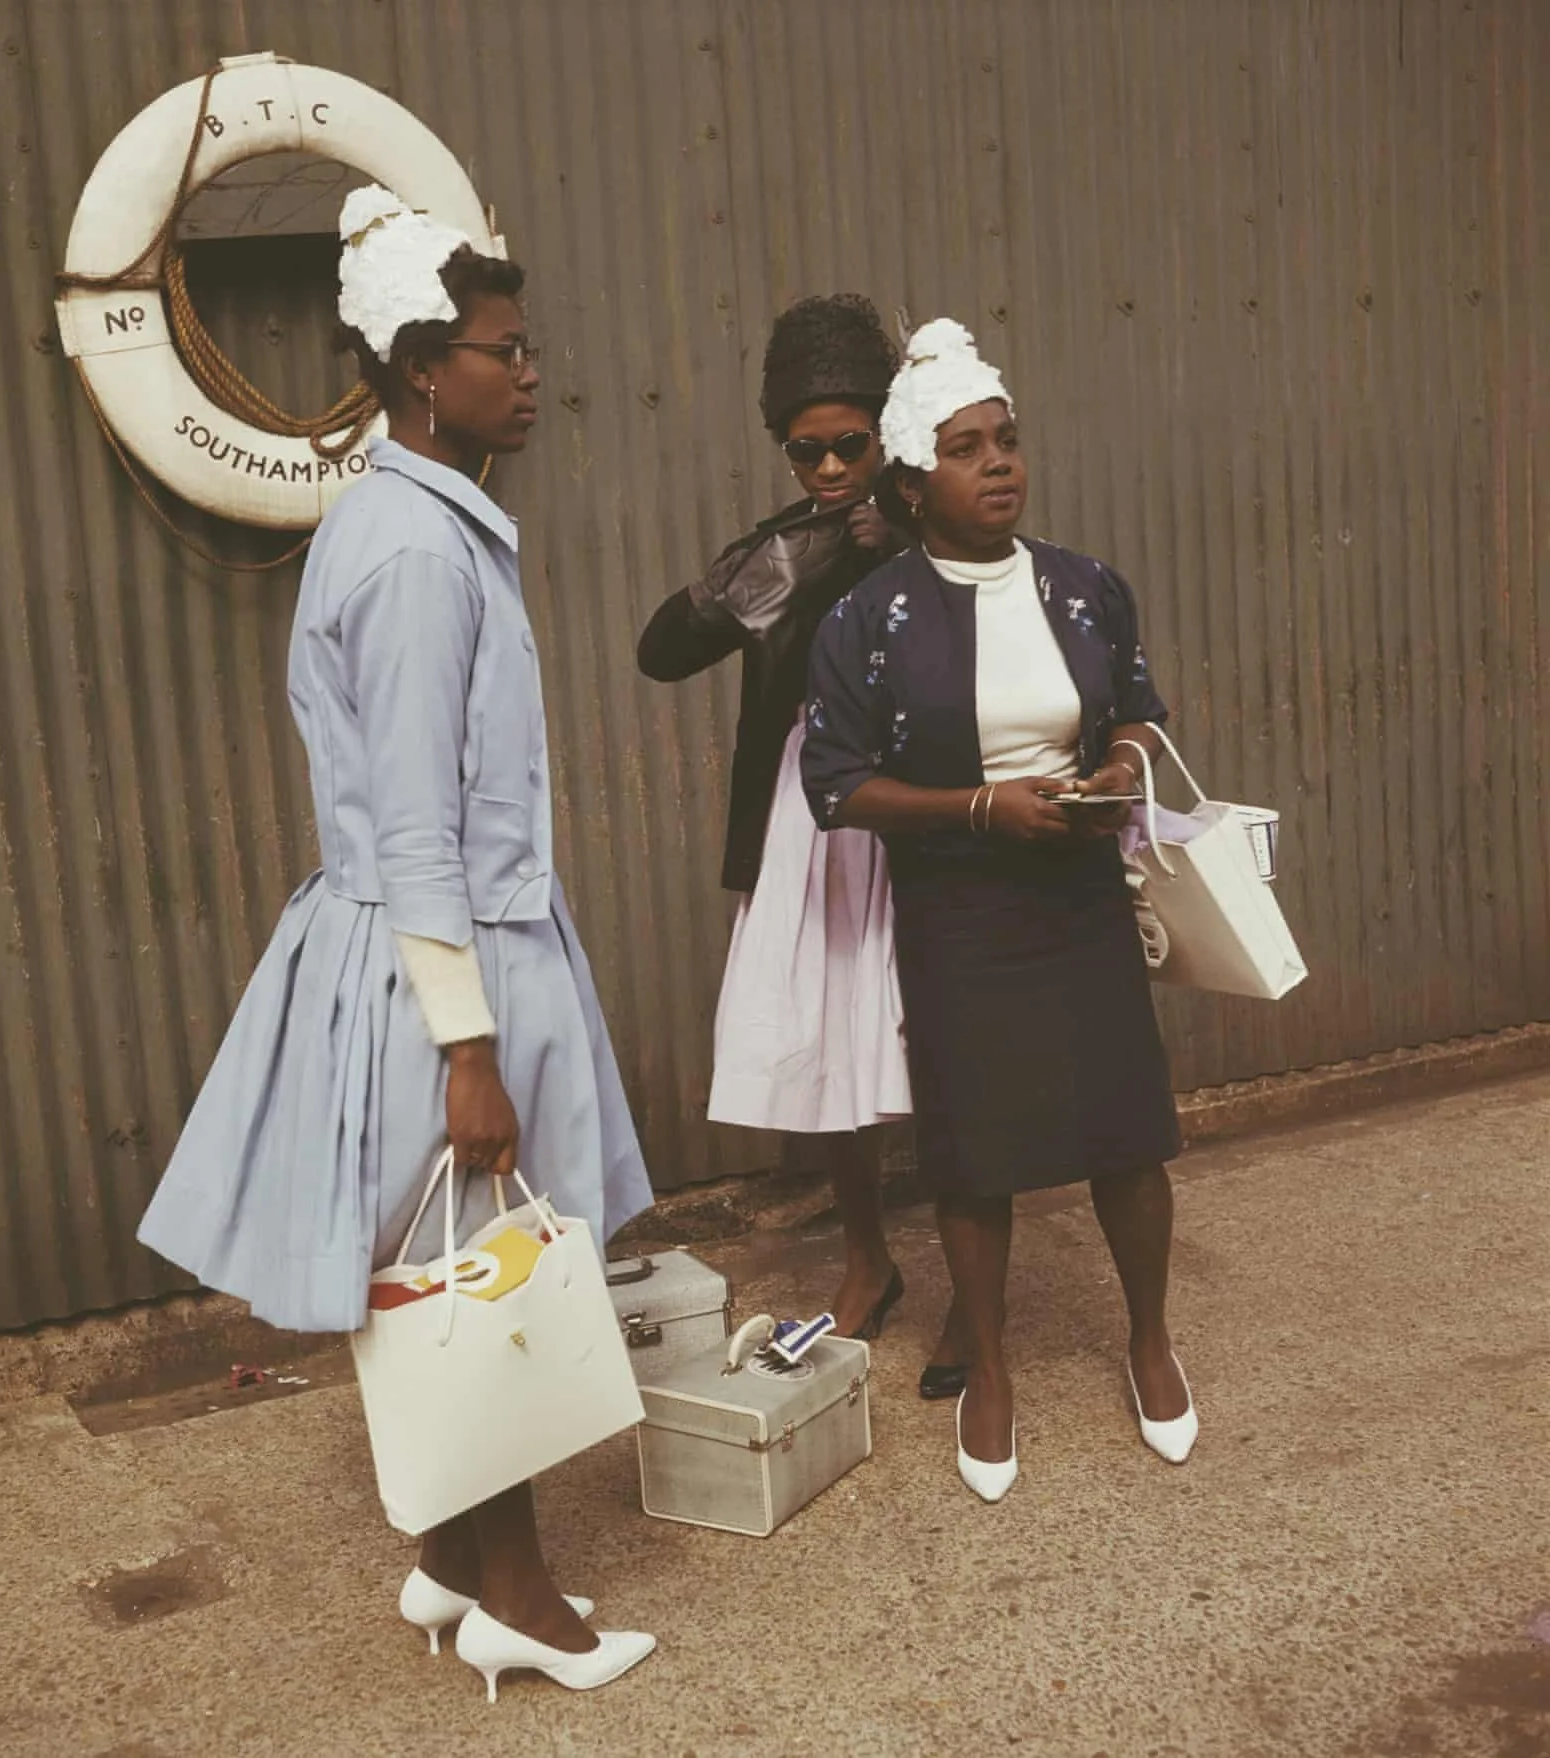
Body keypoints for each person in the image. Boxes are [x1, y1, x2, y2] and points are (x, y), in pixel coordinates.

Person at [137, 187, 656, 1695]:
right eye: (505, 348)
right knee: (484, 1280)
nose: (534, 370)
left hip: (423, 940)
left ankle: (445, 1560)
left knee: (453, 1269)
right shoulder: (420, 556)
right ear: (426, 367)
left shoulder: (395, 518)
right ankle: (517, 1594)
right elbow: (421, 823)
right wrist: (472, 1047)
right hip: (448, 959)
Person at [802, 318, 1197, 1503]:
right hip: (959, 905)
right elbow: (836, 785)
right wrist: (980, 812)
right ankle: (990, 1370)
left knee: (1127, 1129)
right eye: (968, 449)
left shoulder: (1084, 588)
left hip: (1077, 888)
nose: (999, 467)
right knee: (971, 1152)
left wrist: (1121, 768)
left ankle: (1147, 1343)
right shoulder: (868, 620)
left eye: (1008, 442)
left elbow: (1134, 709)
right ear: (914, 481)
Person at [637, 294, 912, 1342]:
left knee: (954, 1040)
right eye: (807, 453)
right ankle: (866, 1265)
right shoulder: (790, 544)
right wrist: (766, 574)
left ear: (890, 431)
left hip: (927, 809)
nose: (832, 470)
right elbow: (659, 651)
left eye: (850, 445)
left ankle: (979, 1303)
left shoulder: (942, 525)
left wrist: (899, 546)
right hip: (818, 824)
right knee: (827, 1033)